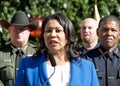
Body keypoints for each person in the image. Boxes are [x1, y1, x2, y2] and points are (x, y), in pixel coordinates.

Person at [14, 13, 99, 86]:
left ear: (68, 35)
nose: (53, 35)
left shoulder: (87, 67)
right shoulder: (27, 66)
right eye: (48, 31)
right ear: (43, 36)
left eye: (58, 30)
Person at [0, 11, 38, 86]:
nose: (18, 32)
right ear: (9, 31)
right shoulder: (1, 54)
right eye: (15, 29)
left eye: (22, 29)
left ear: (28, 32)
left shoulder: (38, 53)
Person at [84, 15, 120, 86]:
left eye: (113, 30)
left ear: (119, 34)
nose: (109, 33)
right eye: (105, 30)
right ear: (97, 32)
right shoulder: (86, 59)